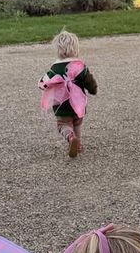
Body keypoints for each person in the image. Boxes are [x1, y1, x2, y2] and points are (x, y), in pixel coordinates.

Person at [39, 30, 97, 158]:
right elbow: (89, 80)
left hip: (62, 105)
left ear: (58, 49)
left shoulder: (54, 68)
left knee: (63, 125)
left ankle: (71, 138)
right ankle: (79, 144)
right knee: (77, 122)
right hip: (78, 104)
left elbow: (45, 82)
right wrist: (93, 89)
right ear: (76, 48)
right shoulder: (80, 66)